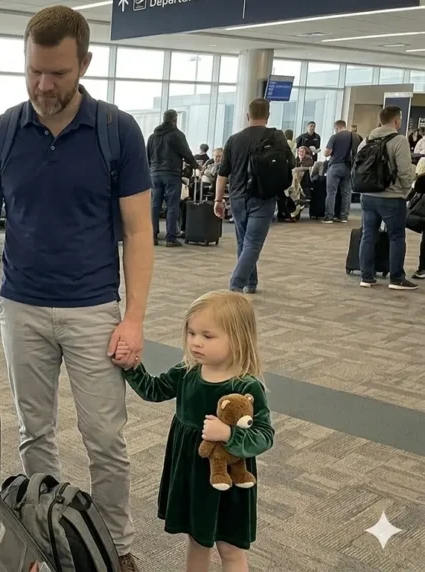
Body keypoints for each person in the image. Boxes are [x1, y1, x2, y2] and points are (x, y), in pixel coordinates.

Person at [0, 7, 152, 570]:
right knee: (33, 432)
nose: (44, 85)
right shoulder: (1, 132)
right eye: (34, 71)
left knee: (105, 438)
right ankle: (45, 535)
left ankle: (117, 547)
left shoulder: (118, 132)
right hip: (22, 306)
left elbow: (138, 233)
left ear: (85, 64)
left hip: (94, 308)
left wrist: (133, 318)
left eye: (58, 73)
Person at [112, 290, 274, 572]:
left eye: (207, 336)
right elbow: (154, 389)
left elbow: (263, 434)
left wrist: (228, 434)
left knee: (229, 545)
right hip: (191, 471)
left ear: (238, 338)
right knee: (197, 539)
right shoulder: (188, 371)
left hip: (229, 481)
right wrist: (131, 368)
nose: (196, 343)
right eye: (192, 333)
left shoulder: (246, 386)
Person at [216, 98, 294, 294]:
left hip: (237, 197)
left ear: (247, 115)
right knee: (252, 243)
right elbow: (290, 163)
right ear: (268, 116)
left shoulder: (234, 140)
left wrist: (218, 200)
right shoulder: (277, 137)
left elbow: (223, 173)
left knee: (244, 241)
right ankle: (236, 284)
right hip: (263, 196)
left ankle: (252, 283)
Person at [356, 105, 418, 291]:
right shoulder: (399, 140)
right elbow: (405, 171)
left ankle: (366, 276)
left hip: (367, 195)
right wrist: (406, 191)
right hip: (392, 197)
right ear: (397, 120)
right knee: (396, 236)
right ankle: (396, 278)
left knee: (368, 235)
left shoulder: (366, 140)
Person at [148, 109, 198, 247]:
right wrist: (196, 165)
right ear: (175, 119)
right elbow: (186, 153)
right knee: (172, 205)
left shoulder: (153, 137)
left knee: (154, 205)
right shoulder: (177, 135)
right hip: (171, 174)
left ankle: (152, 236)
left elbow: (147, 156)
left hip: (154, 174)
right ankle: (171, 238)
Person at [322, 120, 356, 224]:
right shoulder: (353, 136)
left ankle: (329, 216)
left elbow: (327, 153)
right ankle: (344, 216)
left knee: (331, 192)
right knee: (346, 193)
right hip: (348, 167)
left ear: (337, 127)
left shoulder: (335, 137)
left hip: (335, 166)